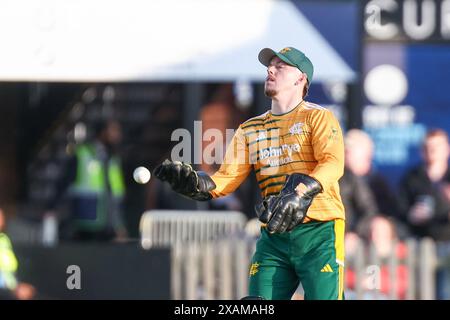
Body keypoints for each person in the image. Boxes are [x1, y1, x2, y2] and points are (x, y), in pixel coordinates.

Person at [154, 47, 346, 300]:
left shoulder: (317, 117)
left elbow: (333, 163)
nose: (270, 69)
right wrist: (196, 184)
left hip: (319, 233)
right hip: (275, 235)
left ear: (301, 78)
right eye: (270, 65)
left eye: (280, 66)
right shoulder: (250, 128)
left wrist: (300, 193)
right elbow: (225, 178)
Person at [45, 119, 127, 242]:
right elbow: (64, 181)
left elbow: (114, 195)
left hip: (109, 225)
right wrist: (52, 207)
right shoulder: (83, 154)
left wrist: (118, 225)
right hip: (85, 223)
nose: (117, 135)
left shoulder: (114, 159)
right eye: (113, 130)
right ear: (103, 132)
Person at [398, 129, 450, 241]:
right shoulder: (412, 178)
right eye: (428, 147)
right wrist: (411, 215)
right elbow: (400, 210)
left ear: (447, 149)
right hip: (420, 239)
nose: (433, 150)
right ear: (422, 151)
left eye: (438, 146)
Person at [0, 208, 36, 300]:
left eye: (1, 215)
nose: (1, 218)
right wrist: (13, 290)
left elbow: (8, 273)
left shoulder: (4, 239)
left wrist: (16, 287)